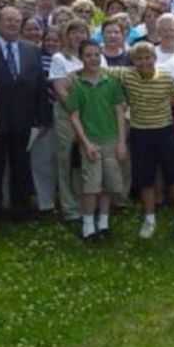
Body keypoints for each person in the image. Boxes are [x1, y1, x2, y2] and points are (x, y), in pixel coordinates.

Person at [108, 42, 174, 240]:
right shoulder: (126, 74)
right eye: (139, 58)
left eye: (148, 57)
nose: (144, 61)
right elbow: (100, 69)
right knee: (145, 179)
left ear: (154, 58)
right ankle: (149, 219)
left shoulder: (166, 77)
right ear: (133, 61)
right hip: (141, 133)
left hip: (165, 131)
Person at [0, 5, 44, 222]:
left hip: (23, 121)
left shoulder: (31, 50)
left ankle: (20, 210)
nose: (13, 24)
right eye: (8, 20)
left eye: (17, 20)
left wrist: (41, 119)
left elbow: (40, 86)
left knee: (21, 168)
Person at [67, 41, 128, 241]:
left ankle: (103, 223)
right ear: (81, 58)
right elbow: (74, 116)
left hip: (111, 140)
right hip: (91, 142)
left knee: (108, 185)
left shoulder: (110, 82)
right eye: (88, 55)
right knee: (91, 186)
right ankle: (87, 225)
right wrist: (85, 143)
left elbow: (119, 112)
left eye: (96, 55)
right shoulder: (77, 84)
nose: (93, 59)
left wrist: (121, 142)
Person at [50, 18, 91, 223]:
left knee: (85, 160)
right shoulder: (60, 59)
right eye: (74, 32)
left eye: (82, 32)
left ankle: (86, 204)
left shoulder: (91, 56)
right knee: (66, 160)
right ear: (66, 36)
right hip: (67, 115)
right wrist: (75, 109)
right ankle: (69, 208)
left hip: (90, 117)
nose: (78, 36)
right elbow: (60, 90)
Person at [30, 27, 62, 217]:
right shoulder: (35, 59)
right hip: (42, 117)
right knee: (41, 162)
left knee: (62, 161)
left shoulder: (69, 59)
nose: (51, 43)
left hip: (66, 116)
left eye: (55, 40)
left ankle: (63, 200)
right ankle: (45, 203)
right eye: (47, 40)